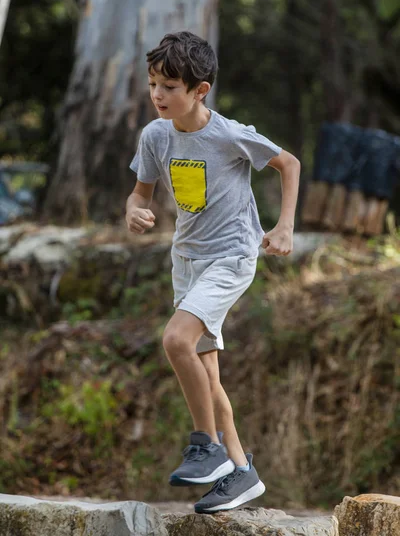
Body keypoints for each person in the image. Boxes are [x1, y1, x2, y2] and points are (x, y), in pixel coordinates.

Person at [126, 31, 301, 513]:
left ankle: (207, 444)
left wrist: (283, 227)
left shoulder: (228, 133)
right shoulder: (155, 135)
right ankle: (242, 473)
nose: (158, 95)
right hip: (186, 261)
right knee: (206, 374)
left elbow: (289, 164)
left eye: (170, 87)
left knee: (176, 340)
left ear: (200, 91)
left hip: (231, 256)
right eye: (153, 84)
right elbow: (140, 192)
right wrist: (134, 210)